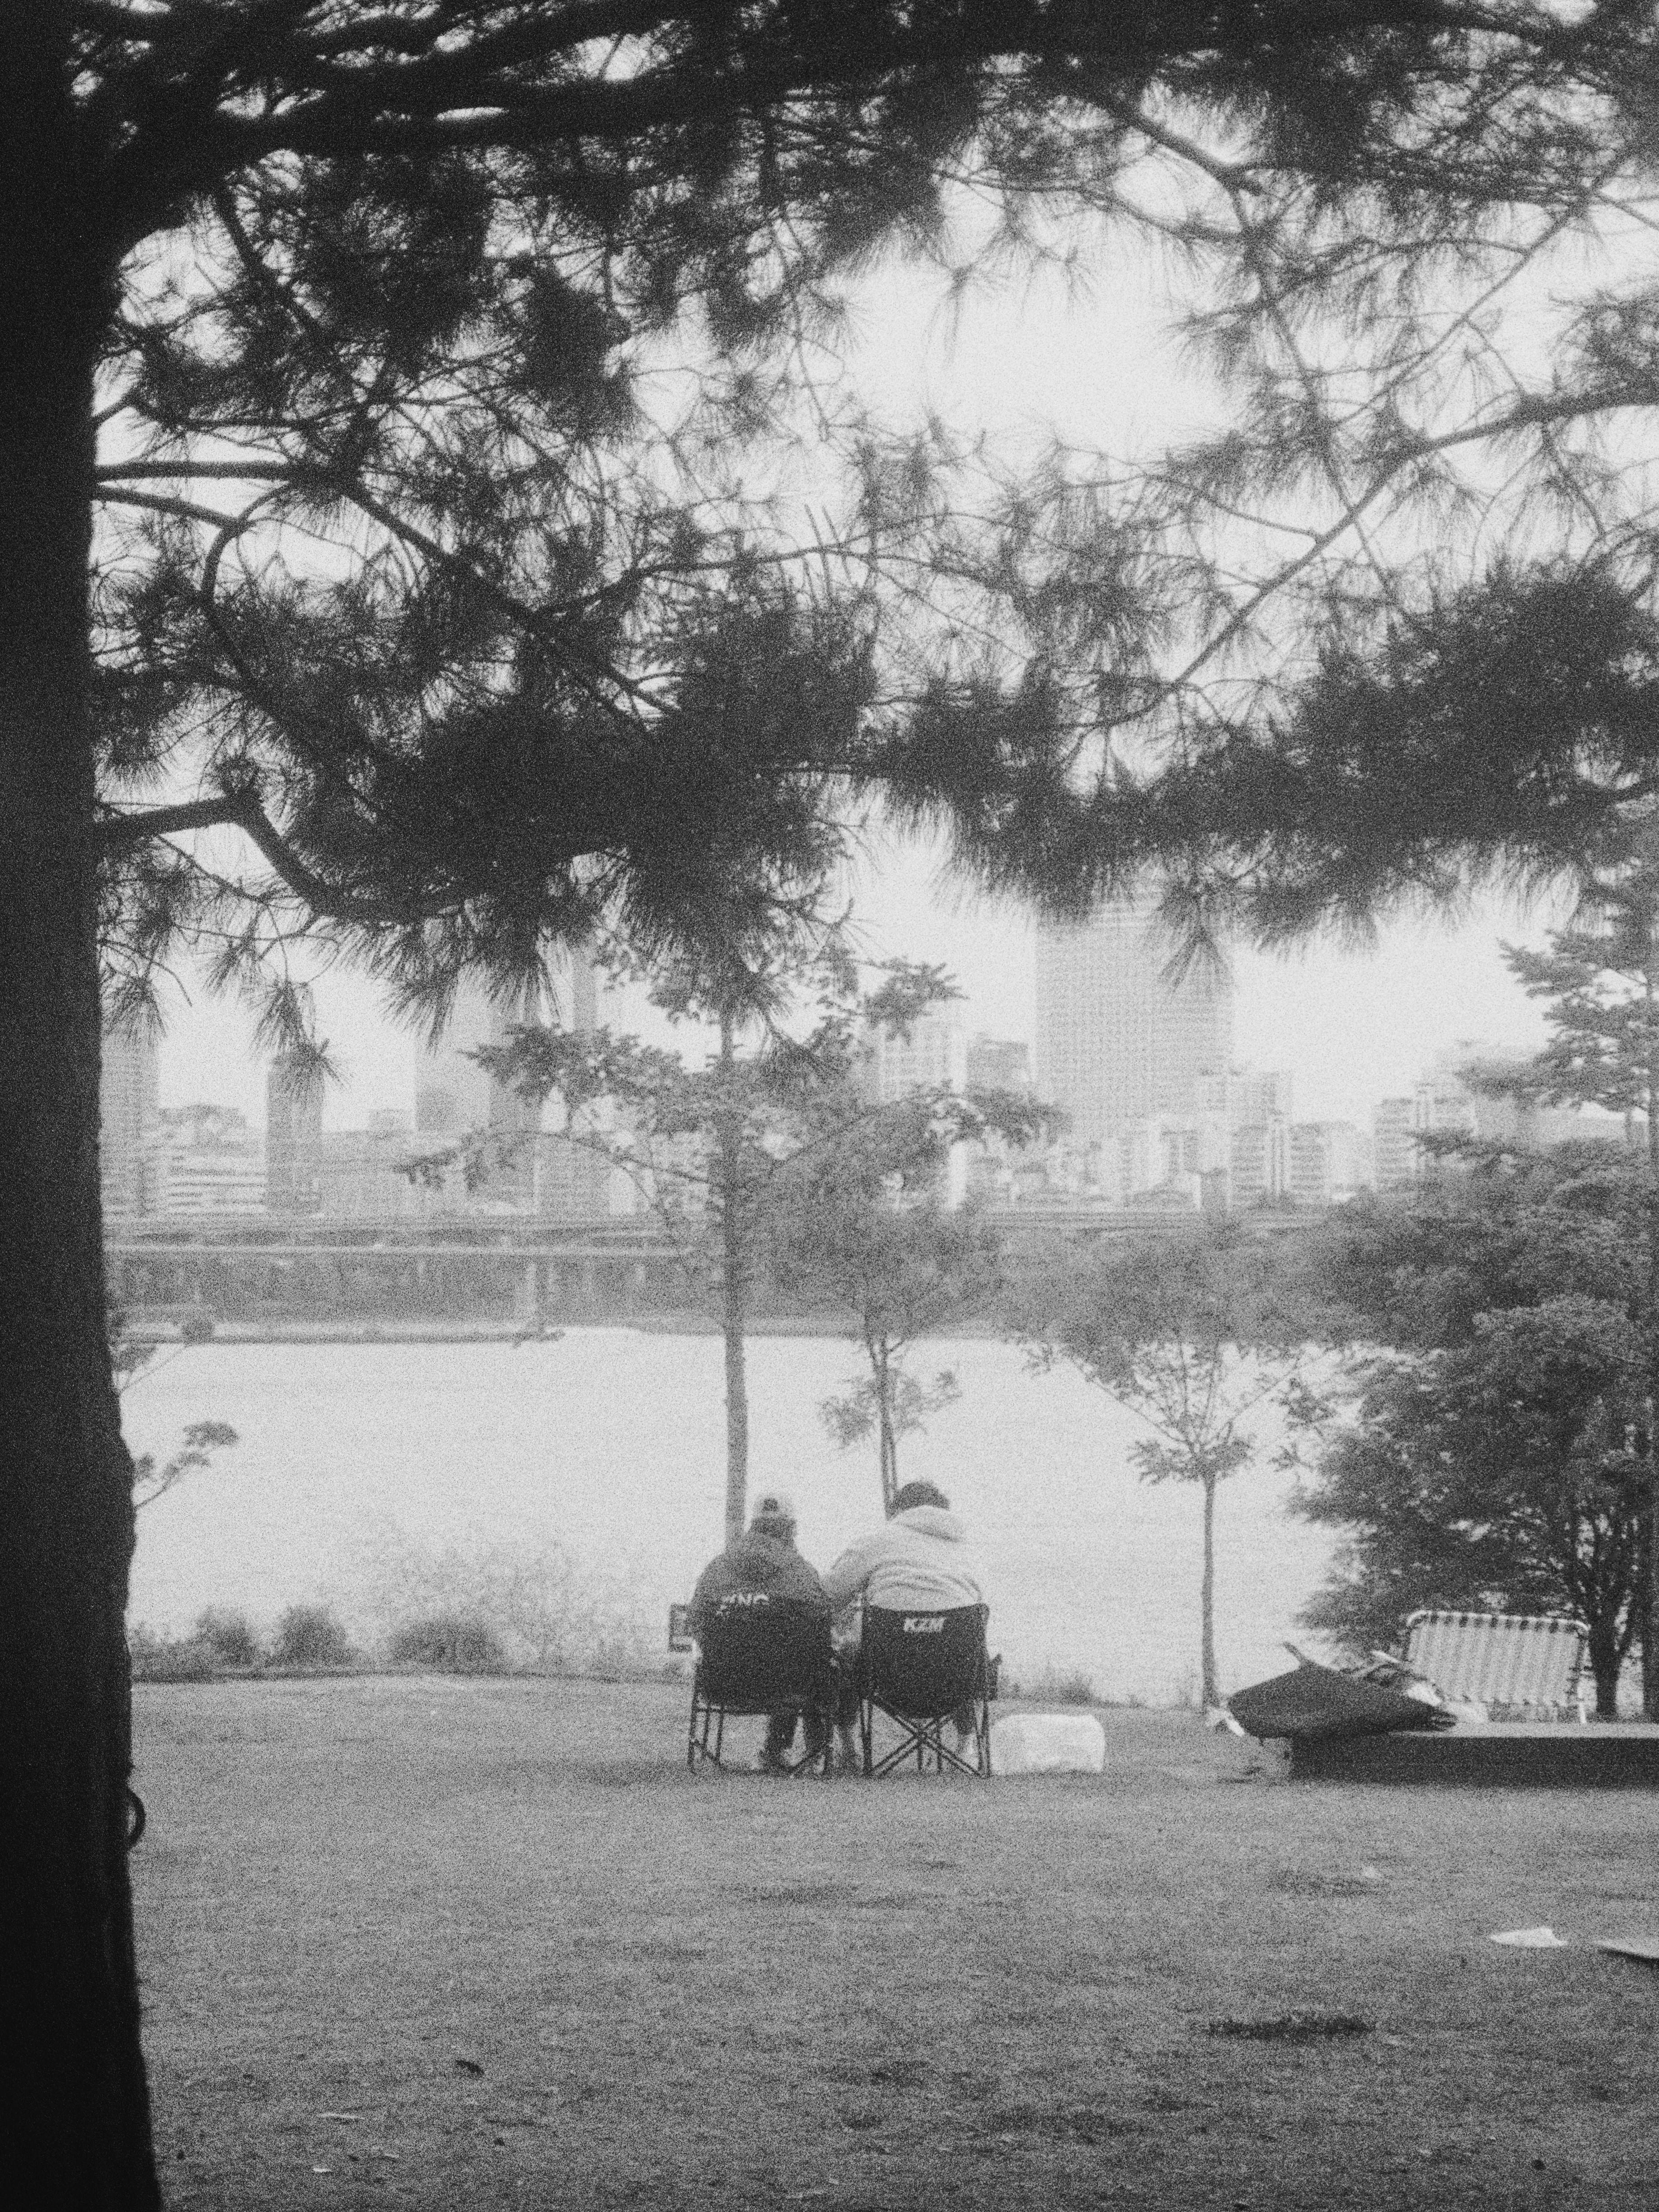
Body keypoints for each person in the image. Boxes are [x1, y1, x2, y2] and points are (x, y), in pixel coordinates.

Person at [820, 1480, 988, 1766]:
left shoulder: (874, 1541)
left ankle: (848, 1747)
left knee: (846, 1653)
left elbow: (828, 1596)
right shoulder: (968, 1550)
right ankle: (965, 1747)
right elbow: (979, 1608)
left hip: (886, 1676)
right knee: (968, 1643)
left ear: (898, 1510)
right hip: (953, 1679)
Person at [688, 1490, 831, 1771]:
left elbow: (696, 1621)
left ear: (752, 1527)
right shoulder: (802, 1575)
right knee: (809, 1658)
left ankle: (774, 1752)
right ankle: (812, 1752)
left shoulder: (717, 1569)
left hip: (721, 1685)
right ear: (791, 1530)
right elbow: (821, 1629)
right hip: (789, 1688)